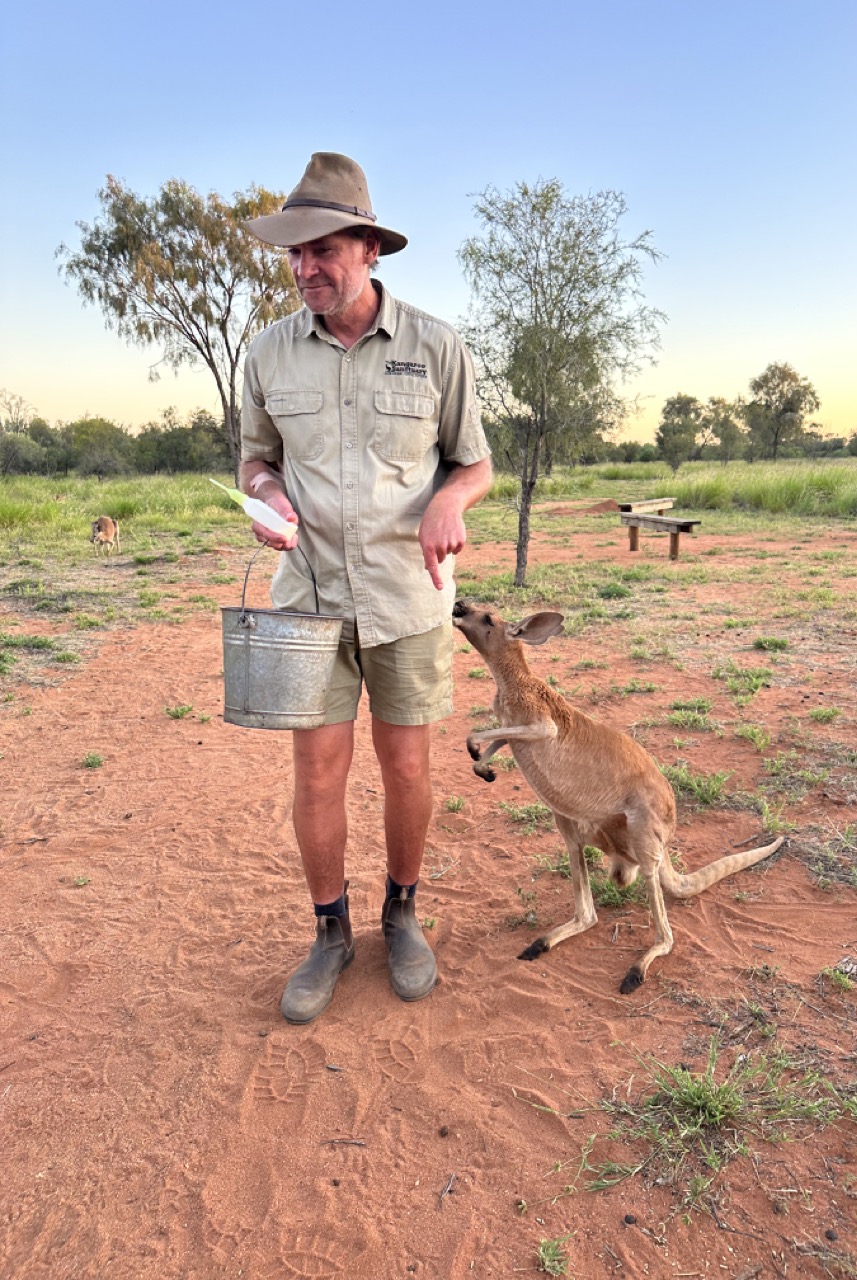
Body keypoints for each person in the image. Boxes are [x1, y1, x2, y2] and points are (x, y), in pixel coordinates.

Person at [239, 152, 492, 1025]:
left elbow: (475, 461)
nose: (307, 267)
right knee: (317, 772)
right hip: (307, 597)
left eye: (323, 249)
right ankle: (330, 931)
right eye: (295, 254)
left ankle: (402, 914)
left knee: (408, 764)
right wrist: (266, 498)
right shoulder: (267, 351)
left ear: (369, 249)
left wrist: (450, 500)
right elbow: (256, 457)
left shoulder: (435, 347)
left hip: (407, 595)